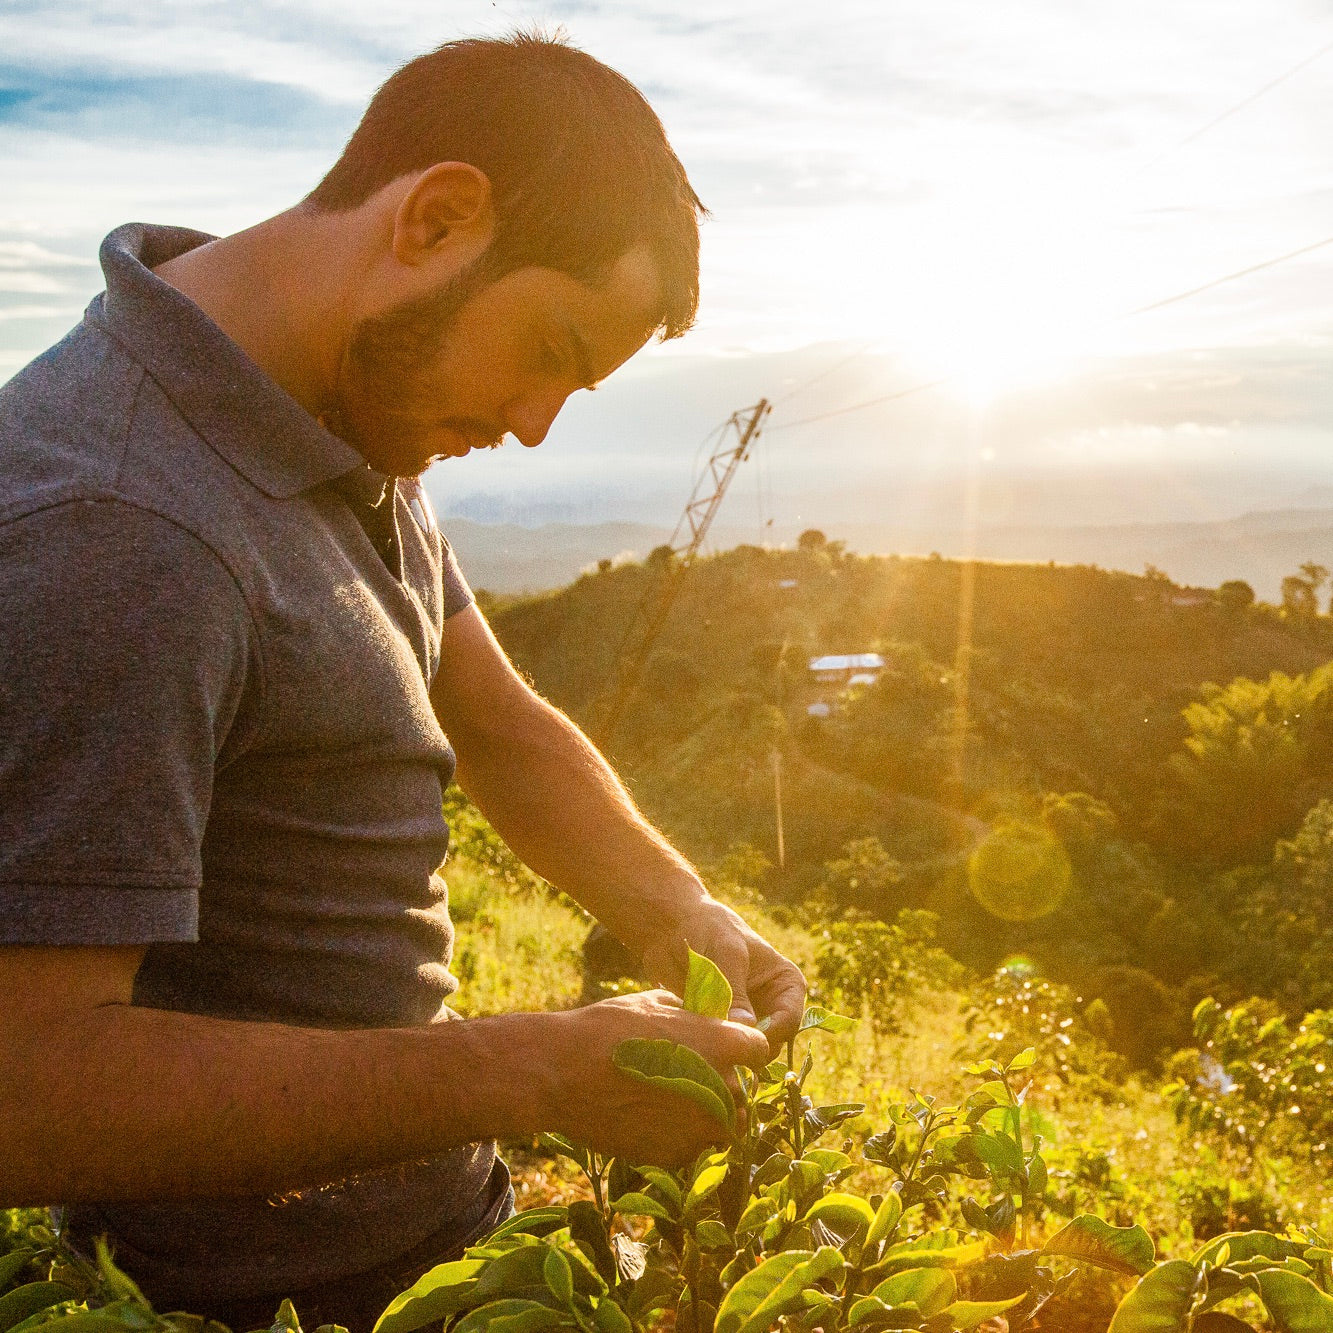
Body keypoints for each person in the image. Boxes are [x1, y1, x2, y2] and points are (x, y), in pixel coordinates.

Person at [0, 31, 805, 1332]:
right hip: (243, 1296)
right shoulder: (121, 530)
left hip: (426, 1229)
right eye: (548, 345)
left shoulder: (332, 406)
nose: (536, 421)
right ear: (435, 218)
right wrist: (531, 1071)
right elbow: (27, 1090)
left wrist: (678, 909)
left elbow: (492, 717)